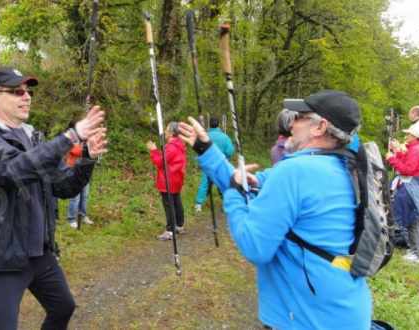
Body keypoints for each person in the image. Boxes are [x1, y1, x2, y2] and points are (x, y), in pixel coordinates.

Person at [178, 90, 371, 329]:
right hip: (342, 308)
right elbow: (243, 182)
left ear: (320, 127)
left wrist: (231, 193)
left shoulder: (295, 171)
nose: (291, 124)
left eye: (299, 117)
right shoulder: (344, 166)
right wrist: (205, 149)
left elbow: (255, 245)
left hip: (306, 318)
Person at [0, 67, 107, 330]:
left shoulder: (33, 137)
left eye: (28, 92)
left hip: (38, 253)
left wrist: (86, 157)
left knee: (63, 308)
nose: (26, 96)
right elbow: (15, 169)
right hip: (1, 258)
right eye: (17, 91)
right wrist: (71, 136)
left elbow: (64, 186)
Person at [387, 125, 419, 264]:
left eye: (409, 134)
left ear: (415, 137)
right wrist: (396, 151)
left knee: (412, 220)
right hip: (414, 186)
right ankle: (416, 250)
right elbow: (406, 160)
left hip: (414, 186)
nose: (406, 136)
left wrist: (392, 159)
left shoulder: (416, 149)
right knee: (412, 220)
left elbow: (407, 169)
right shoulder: (416, 148)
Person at [147, 122, 187, 241]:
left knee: (169, 205)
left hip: (168, 179)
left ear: (171, 132)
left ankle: (170, 230)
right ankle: (179, 225)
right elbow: (167, 159)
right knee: (176, 201)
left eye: (166, 130)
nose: (164, 132)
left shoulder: (171, 146)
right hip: (176, 178)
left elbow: (160, 162)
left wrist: (153, 150)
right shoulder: (179, 144)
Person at [194, 117, 234, 212]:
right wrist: (226, 156)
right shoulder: (225, 137)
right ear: (218, 125)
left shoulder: (205, 136)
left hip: (207, 164)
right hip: (221, 164)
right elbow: (230, 151)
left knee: (204, 184)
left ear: (209, 125)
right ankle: (226, 204)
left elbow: (199, 150)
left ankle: (198, 204)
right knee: (224, 183)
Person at [65, 144, 94, 229]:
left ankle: (83, 216)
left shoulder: (88, 140)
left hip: (84, 172)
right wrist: (87, 150)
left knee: (85, 195)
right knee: (75, 197)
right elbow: (75, 151)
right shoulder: (75, 137)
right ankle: (71, 219)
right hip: (73, 170)